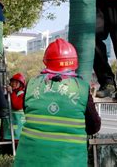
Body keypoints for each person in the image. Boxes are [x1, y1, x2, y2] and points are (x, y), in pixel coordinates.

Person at [14, 39, 101, 167]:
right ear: (74, 63)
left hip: (29, 161)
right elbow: (94, 126)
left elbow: (28, 112)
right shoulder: (81, 87)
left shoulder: (32, 84)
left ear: (46, 62)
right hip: (70, 162)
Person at [2, 73, 26, 143]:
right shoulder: (10, 94)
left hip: (18, 130)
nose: (13, 84)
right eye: (12, 82)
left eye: (16, 82)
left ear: (21, 85)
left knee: (16, 141)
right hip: (9, 127)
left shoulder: (22, 94)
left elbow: (17, 106)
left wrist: (11, 93)